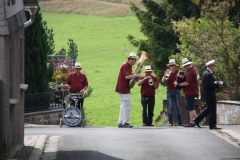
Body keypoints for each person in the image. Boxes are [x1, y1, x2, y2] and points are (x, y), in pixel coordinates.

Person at [115, 52, 142, 128]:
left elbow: (129, 76)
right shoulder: (126, 66)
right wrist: (136, 75)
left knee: (123, 105)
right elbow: (127, 77)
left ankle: (121, 122)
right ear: (130, 59)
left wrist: (135, 76)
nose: (135, 62)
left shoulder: (127, 66)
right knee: (127, 105)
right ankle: (125, 122)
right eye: (134, 60)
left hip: (123, 87)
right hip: (124, 88)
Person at [193, 60, 222, 130]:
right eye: (213, 66)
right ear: (211, 66)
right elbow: (209, 85)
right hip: (210, 95)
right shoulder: (208, 74)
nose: (214, 68)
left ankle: (197, 119)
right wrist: (217, 85)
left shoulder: (205, 73)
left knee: (209, 109)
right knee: (212, 110)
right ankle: (212, 125)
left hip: (207, 95)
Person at [174, 58, 198, 127]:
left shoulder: (189, 72)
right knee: (191, 107)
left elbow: (187, 83)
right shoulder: (194, 69)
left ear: (185, 65)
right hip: (194, 90)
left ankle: (192, 122)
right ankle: (197, 120)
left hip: (189, 91)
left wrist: (178, 84)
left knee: (190, 107)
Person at [162, 59, 183, 126]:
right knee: (170, 107)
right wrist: (166, 75)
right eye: (170, 65)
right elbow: (163, 81)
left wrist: (178, 80)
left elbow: (182, 79)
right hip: (169, 90)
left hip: (177, 90)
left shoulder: (178, 72)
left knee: (178, 107)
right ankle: (171, 122)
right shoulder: (167, 72)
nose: (171, 67)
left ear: (175, 66)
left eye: (172, 65)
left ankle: (180, 122)